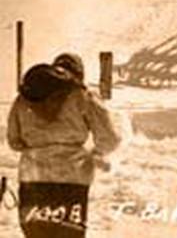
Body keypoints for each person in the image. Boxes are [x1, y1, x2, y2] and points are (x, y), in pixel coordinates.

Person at [7, 58, 121, 237]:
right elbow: (111, 138)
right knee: (68, 233)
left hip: (32, 177)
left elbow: (14, 141)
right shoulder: (82, 95)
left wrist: (37, 147)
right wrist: (95, 154)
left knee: (36, 233)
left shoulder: (25, 97)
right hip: (72, 179)